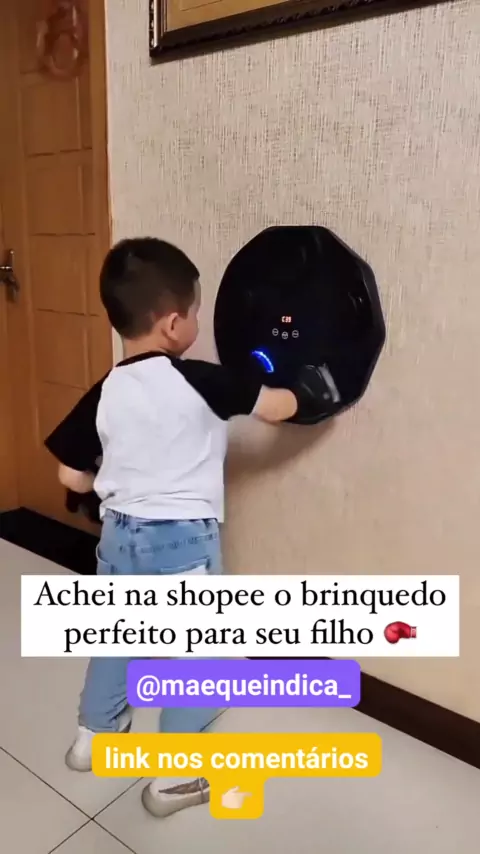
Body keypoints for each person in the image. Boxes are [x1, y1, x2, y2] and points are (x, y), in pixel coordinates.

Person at [45, 237, 335, 818]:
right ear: (174, 324)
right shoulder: (202, 379)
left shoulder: (106, 390)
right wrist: (314, 385)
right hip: (182, 545)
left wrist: (113, 474)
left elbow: (69, 475)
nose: (197, 324)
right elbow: (276, 408)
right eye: (196, 312)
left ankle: (93, 738)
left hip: (119, 540)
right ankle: (175, 779)